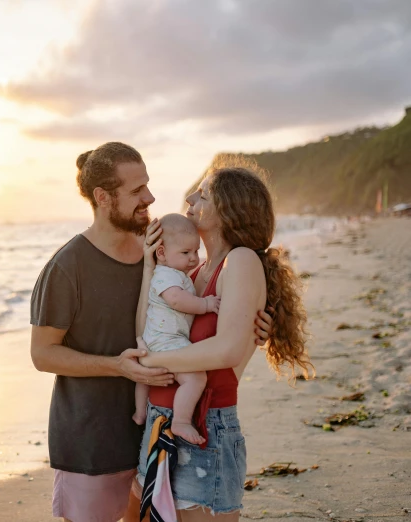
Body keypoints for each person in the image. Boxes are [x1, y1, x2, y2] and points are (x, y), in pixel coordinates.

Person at [30, 143, 273, 522]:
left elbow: (211, 330)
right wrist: (121, 366)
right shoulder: (67, 267)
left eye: (148, 185)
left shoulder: (167, 251)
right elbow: (43, 354)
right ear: (103, 198)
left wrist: (252, 331)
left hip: (156, 429)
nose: (152, 198)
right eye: (137, 191)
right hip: (96, 439)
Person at [125, 159, 313, 522]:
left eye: (205, 193)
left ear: (228, 210)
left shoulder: (239, 261)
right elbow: (148, 328)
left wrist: (146, 363)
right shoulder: (193, 271)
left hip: (205, 428)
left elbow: (226, 350)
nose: (192, 195)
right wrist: (150, 268)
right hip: (162, 421)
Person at [133, 214, 219, 446]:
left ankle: (140, 412)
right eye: (185, 252)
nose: (193, 258)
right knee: (195, 378)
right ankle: (181, 420)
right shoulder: (166, 275)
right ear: (161, 253)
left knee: (144, 378)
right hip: (168, 341)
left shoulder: (174, 273)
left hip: (155, 340)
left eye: (196, 251)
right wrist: (206, 304)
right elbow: (177, 300)